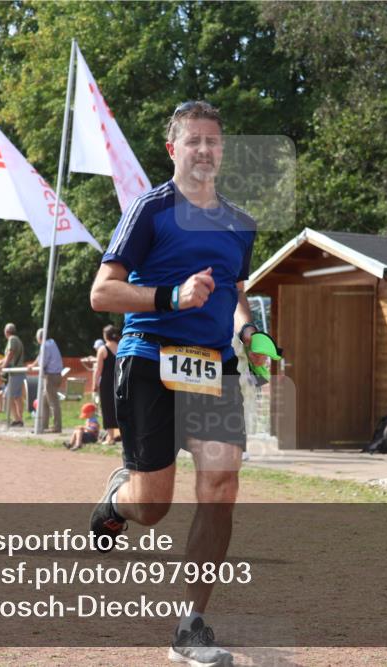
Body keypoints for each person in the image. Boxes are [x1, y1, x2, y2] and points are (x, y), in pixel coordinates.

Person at [88, 100, 264, 666]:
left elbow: (234, 292)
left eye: (213, 141)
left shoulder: (240, 223)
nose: (205, 150)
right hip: (149, 359)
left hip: (213, 365)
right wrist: (171, 296)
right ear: (173, 150)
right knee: (154, 506)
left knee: (220, 486)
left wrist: (254, 339)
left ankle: (191, 625)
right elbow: (101, 294)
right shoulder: (150, 210)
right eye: (193, 141)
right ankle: (118, 498)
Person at [92, 324, 122, 445]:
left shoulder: (102, 349)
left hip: (106, 383)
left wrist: (94, 384)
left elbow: (98, 370)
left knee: (107, 409)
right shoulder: (121, 347)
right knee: (119, 408)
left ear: (106, 336)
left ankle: (110, 438)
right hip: (119, 381)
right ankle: (122, 434)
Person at [29, 328, 63, 433]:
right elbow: (40, 357)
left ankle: (57, 427)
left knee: (53, 402)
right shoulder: (51, 343)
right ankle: (43, 426)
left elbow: (42, 361)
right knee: (44, 401)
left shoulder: (45, 346)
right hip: (56, 375)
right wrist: (33, 365)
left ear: (39, 338)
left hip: (51, 376)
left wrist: (38, 366)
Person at [0, 323, 26, 428]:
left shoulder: (12, 339)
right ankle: (19, 419)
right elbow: (7, 356)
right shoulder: (16, 339)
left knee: (7, 396)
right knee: (16, 397)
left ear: (6, 331)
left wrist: (2, 367)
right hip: (17, 373)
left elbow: (10, 354)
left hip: (15, 373)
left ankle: (17, 419)